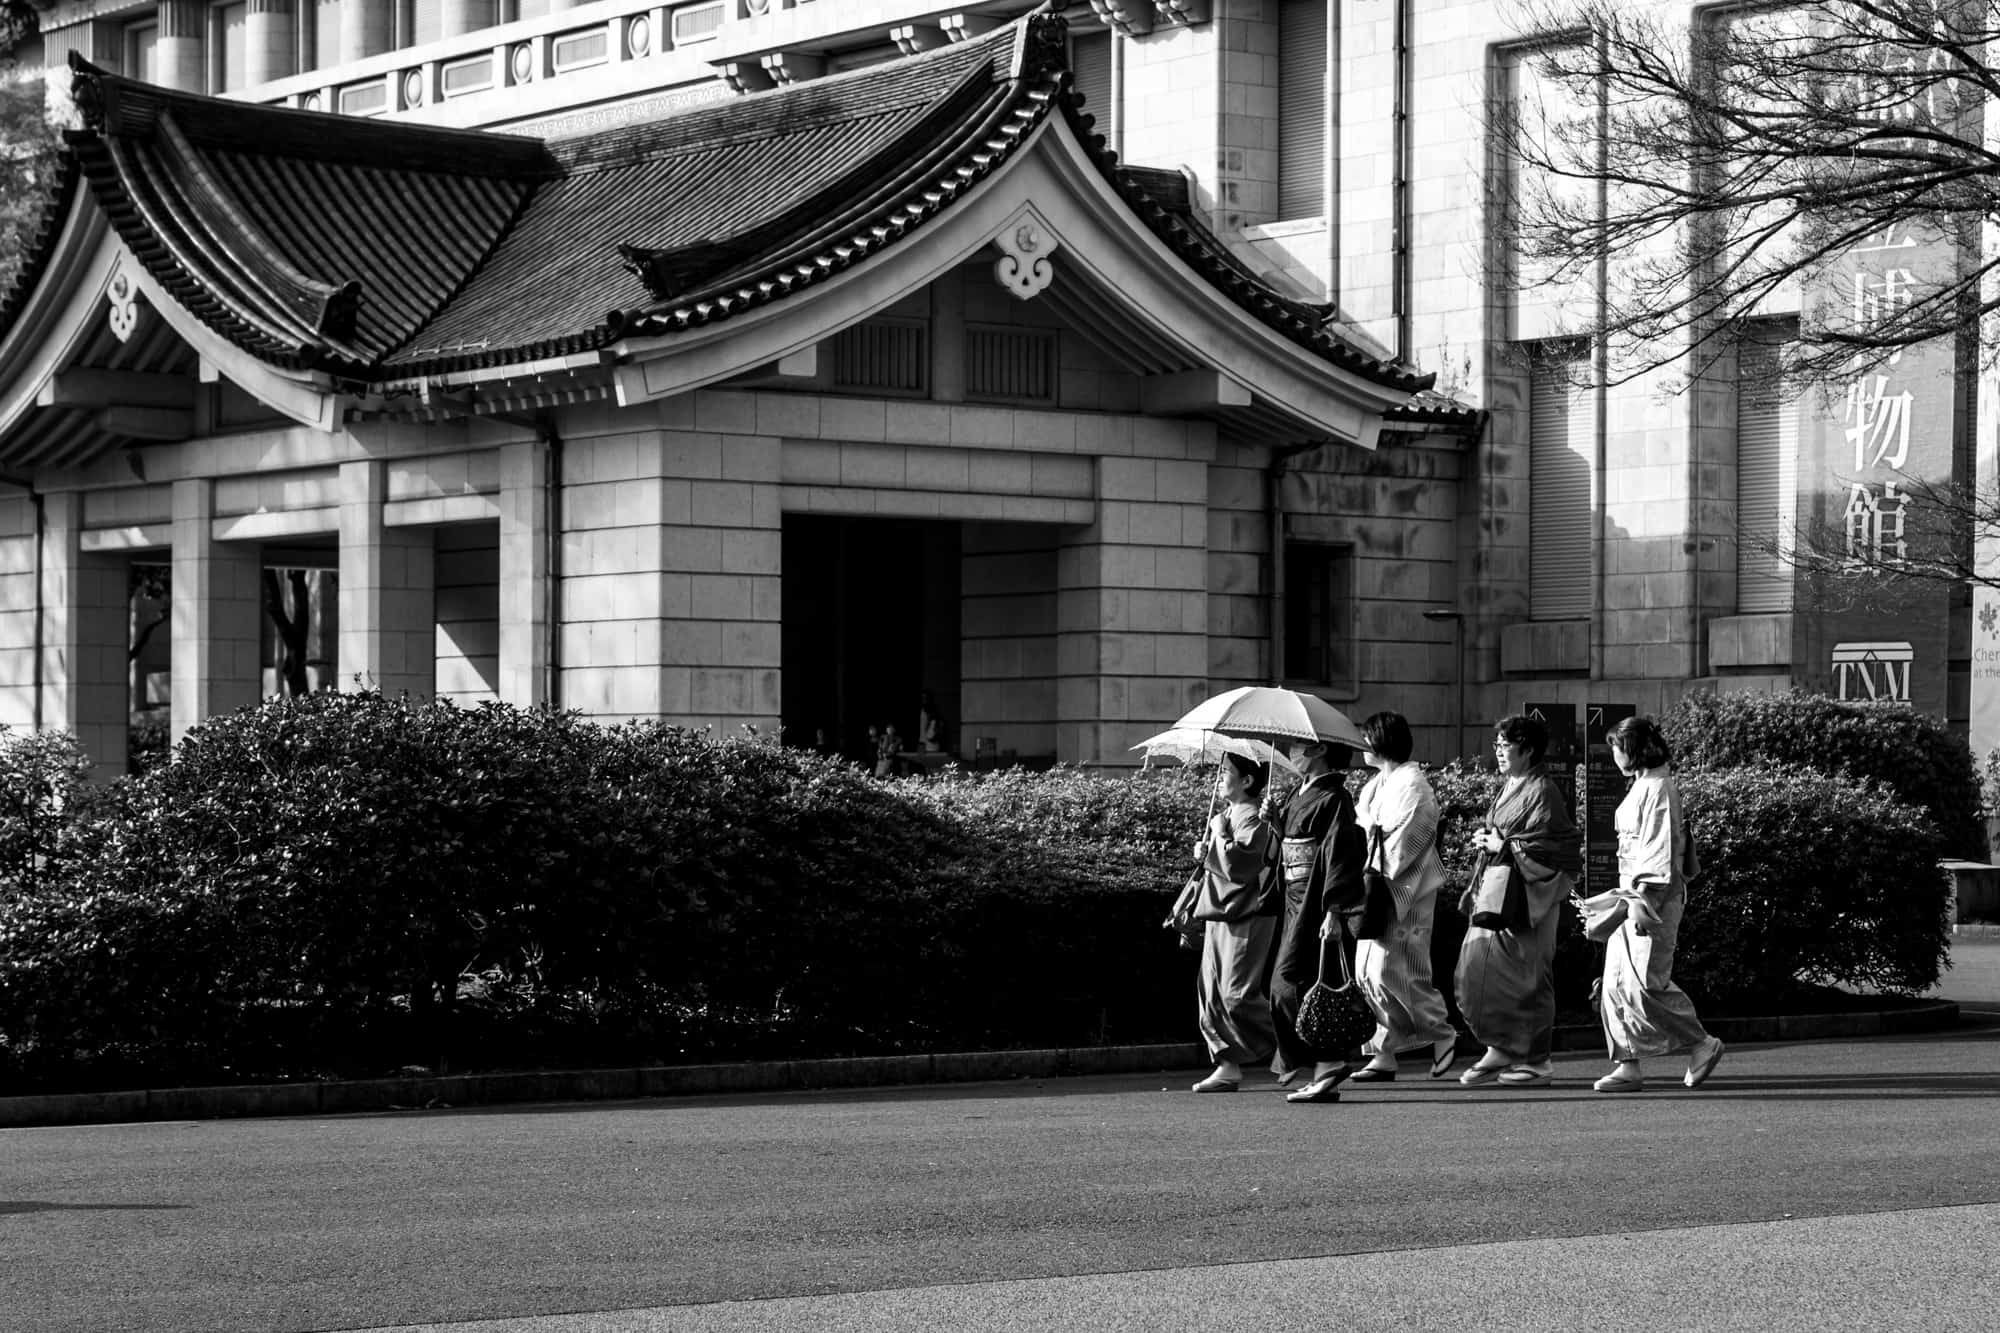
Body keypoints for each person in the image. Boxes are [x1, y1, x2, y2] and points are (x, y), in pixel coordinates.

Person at [1579, 715, 1725, 1094]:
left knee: (1646, 983)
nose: (1612, 755)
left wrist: (1643, 902)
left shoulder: (1659, 787)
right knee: (1614, 982)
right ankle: (1627, 1064)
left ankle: (1700, 1043)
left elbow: (1658, 851)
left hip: (1648, 897)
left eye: (1615, 747)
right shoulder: (1646, 784)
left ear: (1631, 749)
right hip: (1634, 894)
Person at [1454, 713, 1583, 1088]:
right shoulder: (1513, 784)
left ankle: (1536, 1058)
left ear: (1526, 750)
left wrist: (1503, 845)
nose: (1498, 752)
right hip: (1500, 891)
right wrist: (1490, 841)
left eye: (1505, 746)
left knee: (1528, 980)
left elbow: (1556, 848)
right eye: (1497, 745)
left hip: (1529, 898)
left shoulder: (1543, 790)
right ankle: (1501, 1047)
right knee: (1476, 970)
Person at [1348, 711, 1461, 1082]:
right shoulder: (1376, 784)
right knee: (1368, 970)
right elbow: (1363, 826)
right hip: (1377, 881)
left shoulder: (1414, 785)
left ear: (1381, 740)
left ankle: (1442, 1032)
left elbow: (1410, 836)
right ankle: (1384, 1049)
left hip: (1405, 888)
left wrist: (1373, 850)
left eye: (1367, 738)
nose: (1363, 745)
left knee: (1396, 969)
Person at [1268, 736, 1367, 1105]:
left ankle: (1328, 1063)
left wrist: (1335, 911)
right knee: (1298, 981)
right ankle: (1323, 1070)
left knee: (1292, 981)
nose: (1293, 751)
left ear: (1320, 750)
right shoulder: (1301, 792)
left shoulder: (1334, 797)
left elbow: (1340, 853)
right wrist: (1278, 825)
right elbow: (1292, 846)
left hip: (1316, 898)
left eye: (1299, 745)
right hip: (1296, 897)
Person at [1185, 753, 1282, 1093]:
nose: (1219, 777)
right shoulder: (1227, 815)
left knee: (1236, 994)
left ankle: (1291, 1046)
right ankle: (1227, 1064)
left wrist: (1218, 835)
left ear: (1248, 781)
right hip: (1219, 911)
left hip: (1246, 912)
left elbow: (1239, 866)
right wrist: (1204, 851)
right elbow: (1220, 862)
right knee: (1210, 991)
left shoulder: (1254, 818)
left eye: (1226, 772)